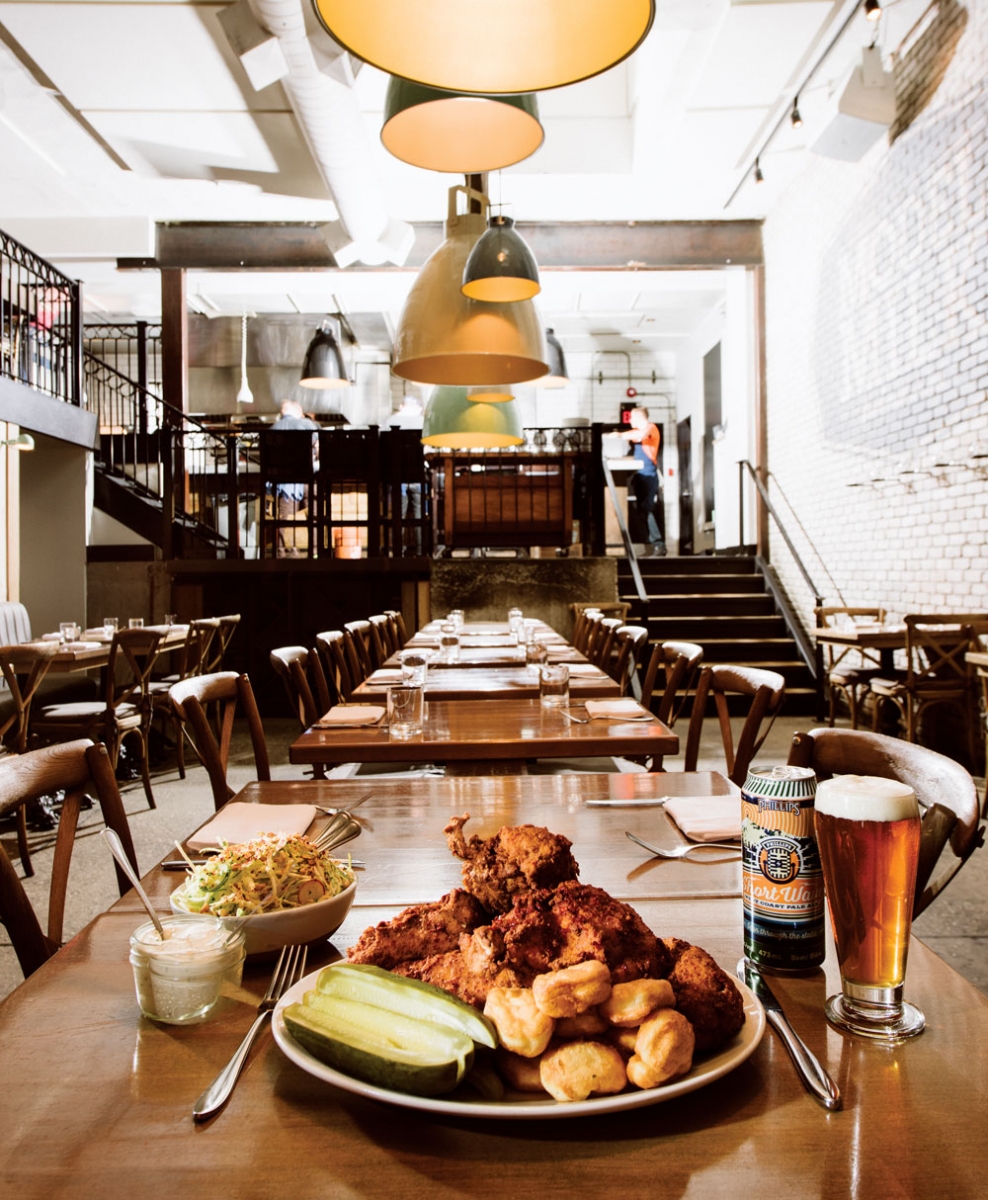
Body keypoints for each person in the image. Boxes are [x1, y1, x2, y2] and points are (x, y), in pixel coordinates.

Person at [271, 398, 319, 556]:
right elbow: (317, 446)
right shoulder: (306, 425)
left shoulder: (272, 429)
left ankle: (280, 549)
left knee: (283, 516)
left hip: (283, 481)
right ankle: (315, 548)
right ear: (297, 413)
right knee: (313, 512)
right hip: (306, 477)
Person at [621, 406, 666, 556]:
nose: (630, 420)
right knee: (642, 511)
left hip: (649, 475)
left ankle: (658, 544)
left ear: (640, 417)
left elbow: (639, 434)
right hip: (641, 475)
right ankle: (651, 546)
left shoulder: (650, 428)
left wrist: (618, 436)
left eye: (632, 417)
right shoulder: (639, 432)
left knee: (646, 510)